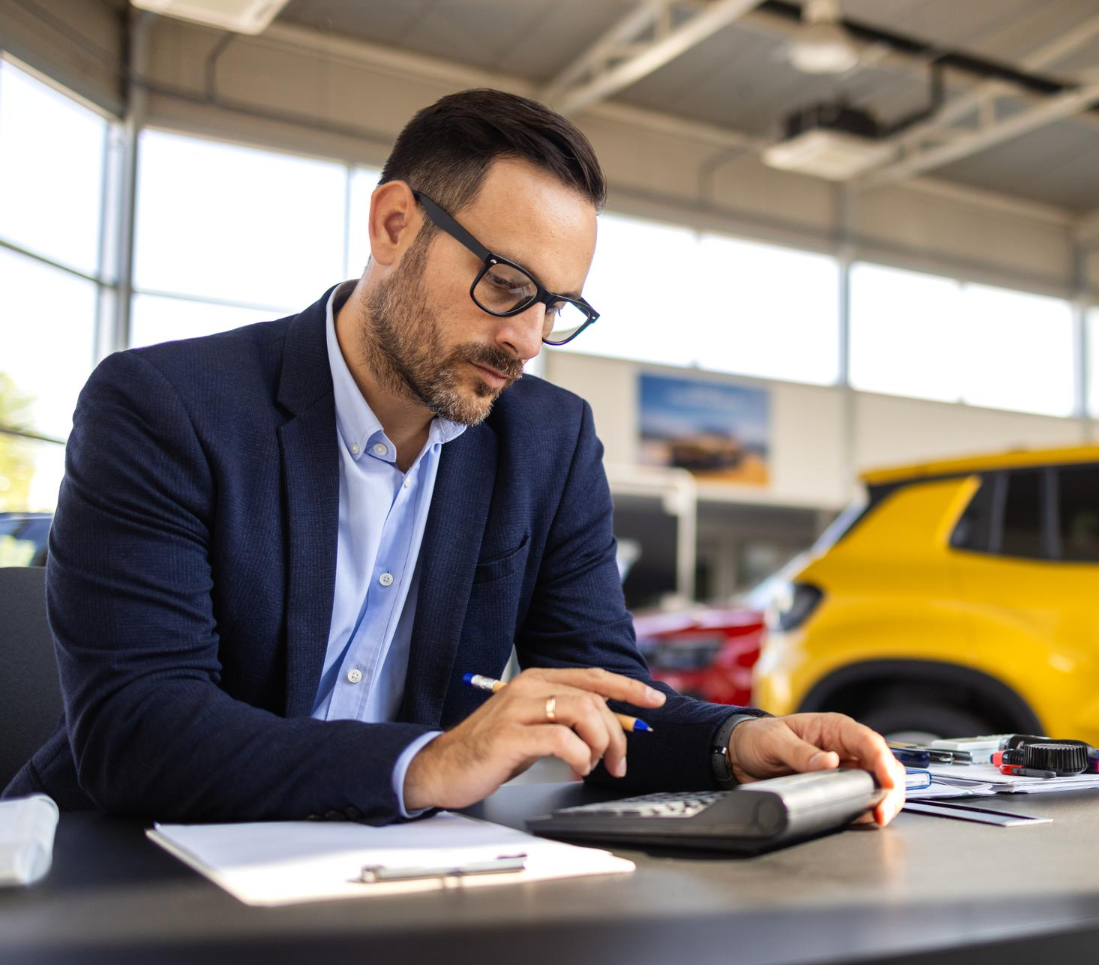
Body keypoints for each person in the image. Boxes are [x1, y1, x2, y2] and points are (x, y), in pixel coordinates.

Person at [3, 89, 904, 826]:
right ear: (394, 224)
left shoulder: (548, 441)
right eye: (505, 285)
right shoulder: (164, 407)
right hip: (123, 870)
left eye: (554, 306)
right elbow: (138, 732)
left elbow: (603, 691)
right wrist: (431, 761)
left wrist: (736, 743)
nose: (524, 340)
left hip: (391, 875)